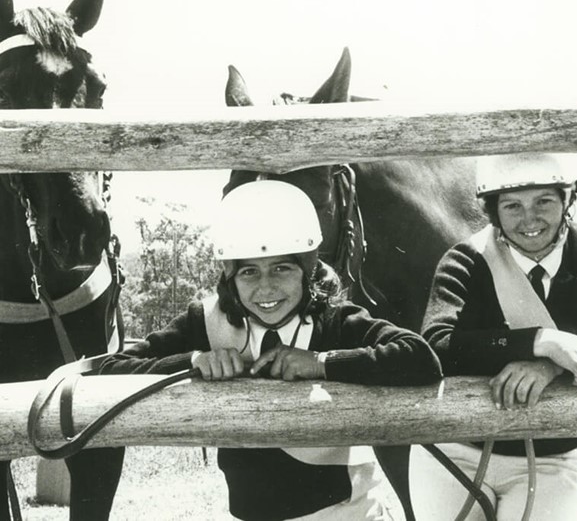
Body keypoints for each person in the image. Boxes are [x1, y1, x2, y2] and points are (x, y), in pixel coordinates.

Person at [100, 179, 442, 521]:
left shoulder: (335, 320)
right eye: (249, 272)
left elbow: (420, 356)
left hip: (347, 513)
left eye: (282, 268)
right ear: (230, 278)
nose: (266, 287)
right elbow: (112, 367)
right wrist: (195, 361)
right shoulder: (204, 320)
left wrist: (322, 363)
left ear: (307, 269)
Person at [409, 153, 577, 520]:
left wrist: (552, 367)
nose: (529, 219)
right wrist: (542, 342)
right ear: (494, 211)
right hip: (458, 449)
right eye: (512, 205)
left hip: (555, 455)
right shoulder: (467, 259)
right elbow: (437, 344)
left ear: (568, 200)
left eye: (544, 201)